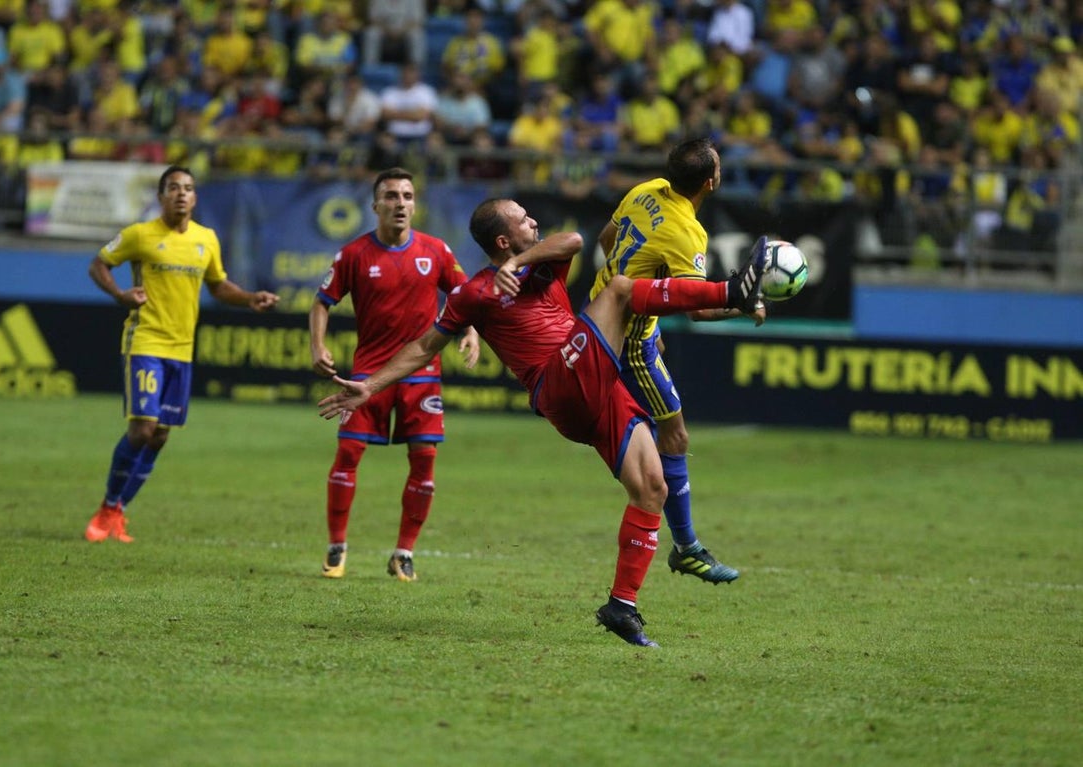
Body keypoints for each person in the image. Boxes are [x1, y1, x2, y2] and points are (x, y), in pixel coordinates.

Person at [318, 197, 767, 646]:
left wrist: (519, 262)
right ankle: (732, 291)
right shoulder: (474, 293)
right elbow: (424, 347)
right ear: (502, 239)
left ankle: (622, 605)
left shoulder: (542, 263)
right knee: (620, 291)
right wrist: (370, 386)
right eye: (523, 219)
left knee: (651, 488)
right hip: (559, 381)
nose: (534, 220)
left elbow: (571, 239)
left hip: (593, 383)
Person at [589, 137, 757, 590]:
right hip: (629, 343)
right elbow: (698, 309)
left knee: (651, 435)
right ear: (711, 181)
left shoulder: (645, 189)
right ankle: (686, 549)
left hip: (596, 319)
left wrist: (633, 303)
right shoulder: (688, 232)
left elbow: (608, 240)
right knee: (675, 434)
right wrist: (742, 305)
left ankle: (680, 540)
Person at [84, 165, 280, 543]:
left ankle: (119, 512)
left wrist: (250, 298)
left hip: (182, 349)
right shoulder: (140, 235)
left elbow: (219, 287)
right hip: (146, 341)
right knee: (141, 429)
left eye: (188, 188)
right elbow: (99, 264)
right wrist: (120, 295)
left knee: (159, 436)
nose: (181, 194)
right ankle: (108, 505)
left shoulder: (206, 239)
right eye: (173, 188)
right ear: (161, 197)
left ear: (195, 197)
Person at [309, 167, 480, 583]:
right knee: (348, 455)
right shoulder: (353, 255)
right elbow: (321, 302)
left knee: (424, 462)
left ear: (414, 204)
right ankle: (337, 546)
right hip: (367, 375)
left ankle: (404, 553)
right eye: (391, 196)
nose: (400, 203)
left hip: (422, 374)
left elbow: (464, 295)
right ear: (375, 206)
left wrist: (471, 330)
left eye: (406, 195)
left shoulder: (435, 250)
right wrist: (318, 345)